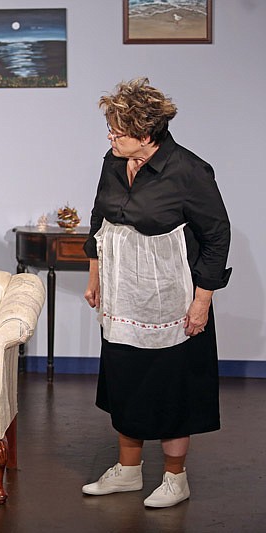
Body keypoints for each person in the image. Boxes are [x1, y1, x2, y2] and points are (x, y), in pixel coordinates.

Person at [80, 78, 231, 508]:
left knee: (171, 387)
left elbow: (217, 238)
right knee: (124, 380)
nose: (110, 137)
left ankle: (174, 478)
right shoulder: (112, 163)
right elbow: (99, 223)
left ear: (145, 135)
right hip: (123, 295)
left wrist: (202, 303)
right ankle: (128, 472)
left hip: (172, 300)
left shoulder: (189, 171)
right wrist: (94, 277)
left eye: (117, 131)